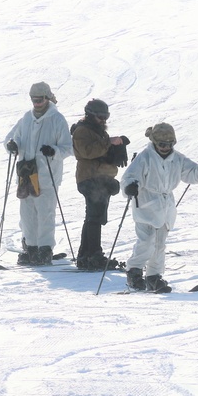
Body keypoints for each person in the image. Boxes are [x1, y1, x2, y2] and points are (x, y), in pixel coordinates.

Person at [121, 123, 198, 293]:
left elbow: (192, 173)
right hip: (145, 203)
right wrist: (130, 186)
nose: (166, 148)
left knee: (159, 243)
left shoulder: (177, 158)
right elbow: (129, 176)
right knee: (147, 240)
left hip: (165, 206)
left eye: (170, 144)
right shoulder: (145, 157)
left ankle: (154, 276)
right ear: (154, 142)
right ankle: (134, 271)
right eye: (162, 145)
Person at [3, 82, 73, 266]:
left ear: (47, 98)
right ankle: (31, 248)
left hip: (47, 176)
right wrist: (12, 145)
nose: (36, 103)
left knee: (45, 213)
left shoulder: (57, 119)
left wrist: (54, 151)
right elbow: (11, 138)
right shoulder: (26, 118)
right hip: (26, 174)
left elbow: (68, 148)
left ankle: (45, 249)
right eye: (33, 100)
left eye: (40, 99)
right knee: (27, 213)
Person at [72, 99, 130, 270]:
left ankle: (86, 255)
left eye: (106, 117)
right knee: (95, 217)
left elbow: (102, 152)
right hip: (90, 179)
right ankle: (94, 255)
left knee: (94, 216)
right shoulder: (82, 131)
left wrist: (117, 149)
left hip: (100, 179)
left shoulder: (97, 130)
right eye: (100, 117)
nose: (104, 120)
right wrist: (109, 143)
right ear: (90, 115)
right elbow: (87, 152)